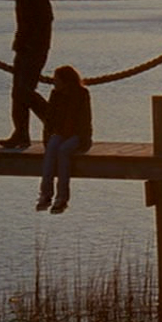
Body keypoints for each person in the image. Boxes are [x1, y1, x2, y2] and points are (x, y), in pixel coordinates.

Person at [0, 0, 54, 149]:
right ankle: (21, 134)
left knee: (24, 91)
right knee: (17, 93)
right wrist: (19, 42)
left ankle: (52, 120)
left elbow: (46, 19)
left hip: (35, 50)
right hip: (24, 49)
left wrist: (30, 42)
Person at [36, 65, 93, 214]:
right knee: (51, 148)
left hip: (79, 136)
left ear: (65, 81)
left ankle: (62, 198)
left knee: (63, 151)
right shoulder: (56, 95)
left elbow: (85, 120)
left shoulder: (82, 94)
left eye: (57, 79)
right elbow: (49, 119)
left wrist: (78, 137)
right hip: (61, 134)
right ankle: (45, 194)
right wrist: (47, 138)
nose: (54, 82)